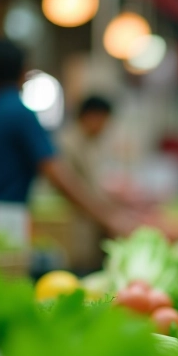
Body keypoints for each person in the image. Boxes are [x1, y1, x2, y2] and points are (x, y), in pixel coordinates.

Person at [0, 38, 133, 239]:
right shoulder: (20, 113)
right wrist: (106, 217)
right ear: (24, 72)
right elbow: (56, 173)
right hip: (3, 223)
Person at [57, 95, 119, 273]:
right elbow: (72, 189)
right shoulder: (68, 144)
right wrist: (107, 217)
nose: (104, 128)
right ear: (91, 117)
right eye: (104, 121)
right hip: (73, 229)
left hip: (89, 224)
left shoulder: (89, 144)